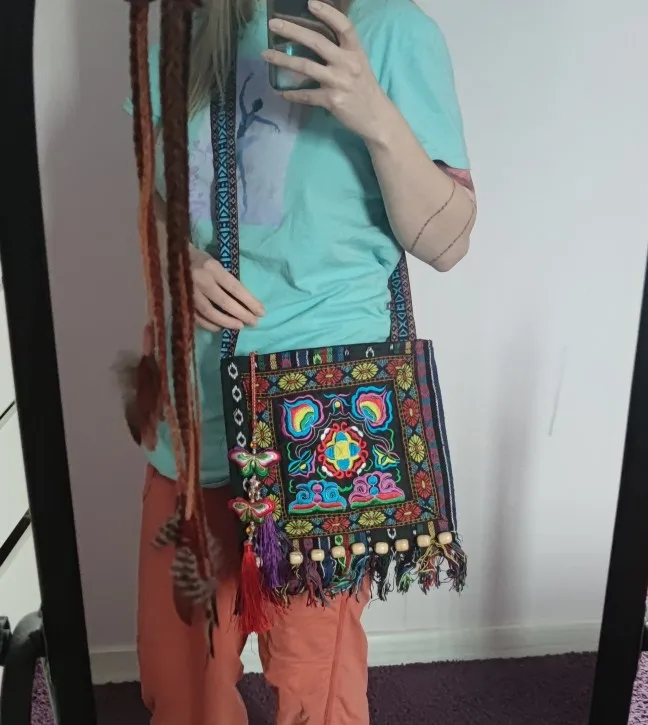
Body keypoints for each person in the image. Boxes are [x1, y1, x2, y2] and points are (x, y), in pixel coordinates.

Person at [126, 0, 476, 723]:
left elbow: (448, 243)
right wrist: (176, 255)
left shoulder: (392, 31)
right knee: (180, 687)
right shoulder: (182, 24)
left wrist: (374, 113)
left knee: (315, 688)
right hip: (196, 412)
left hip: (324, 428)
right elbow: (153, 191)